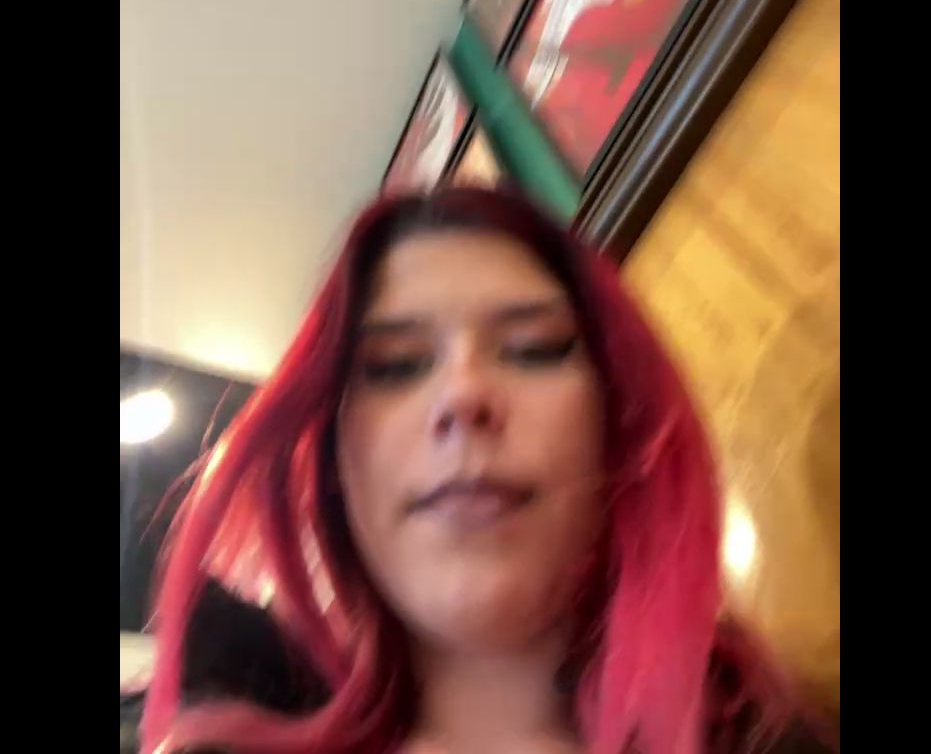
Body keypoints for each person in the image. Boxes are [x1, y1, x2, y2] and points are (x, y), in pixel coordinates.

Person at [142, 187, 836, 754]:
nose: (463, 394)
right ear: (336, 469)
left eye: (535, 348)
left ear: (616, 426)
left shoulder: (781, 736)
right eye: (395, 366)